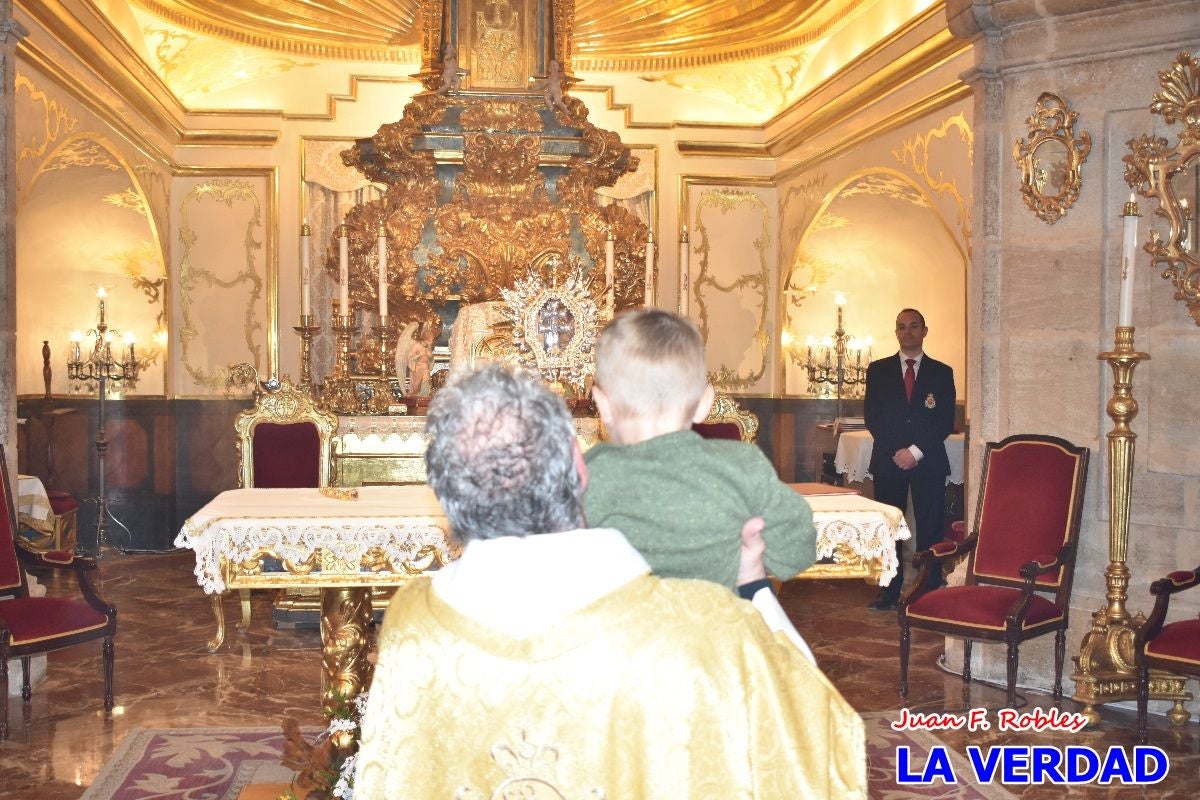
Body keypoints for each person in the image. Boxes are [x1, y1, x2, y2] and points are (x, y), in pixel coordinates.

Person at [353, 365, 866, 798]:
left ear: (445, 495)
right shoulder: (706, 624)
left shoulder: (412, 621)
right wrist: (751, 582)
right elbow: (813, 736)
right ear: (579, 469)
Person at [582, 309, 817, 592]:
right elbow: (796, 552)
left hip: (619, 633)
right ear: (705, 403)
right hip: (720, 631)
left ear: (601, 403)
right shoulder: (741, 465)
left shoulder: (589, 474)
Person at [863, 308, 956, 611]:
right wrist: (897, 452)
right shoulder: (878, 370)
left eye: (914, 326)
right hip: (889, 461)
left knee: (929, 528)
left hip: (927, 461)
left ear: (924, 331)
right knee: (890, 529)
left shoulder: (942, 373)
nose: (908, 332)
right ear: (896, 332)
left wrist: (915, 452)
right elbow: (873, 417)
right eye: (901, 327)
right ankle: (889, 591)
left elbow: (943, 421)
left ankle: (927, 593)